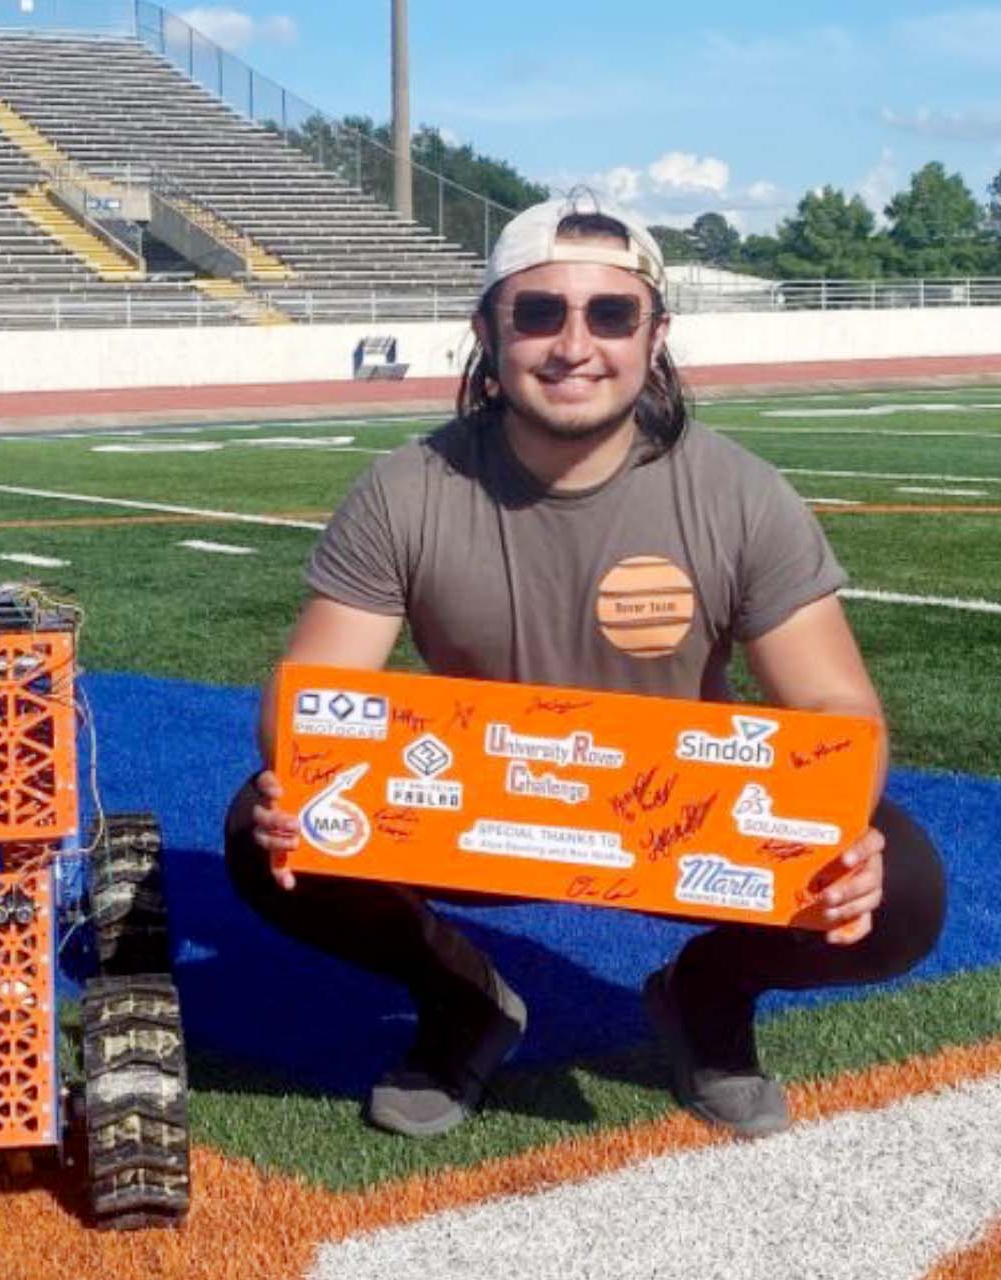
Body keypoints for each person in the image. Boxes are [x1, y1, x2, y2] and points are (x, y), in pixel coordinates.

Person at [225, 194, 947, 1140]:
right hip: (482, 811)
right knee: (262, 831)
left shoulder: (738, 490)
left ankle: (707, 993)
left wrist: (846, 828)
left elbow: (833, 701)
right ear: (487, 329)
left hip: (684, 824)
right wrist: (301, 776)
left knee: (898, 891)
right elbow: (311, 692)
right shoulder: (407, 490)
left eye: (611, 313)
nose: (574, 344)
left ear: (655, 334)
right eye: (538, 312)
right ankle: (459, 998)